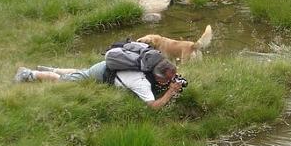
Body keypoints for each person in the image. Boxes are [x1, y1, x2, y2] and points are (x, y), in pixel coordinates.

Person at [13, 58, 184, 110]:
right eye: (167, 80)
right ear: (157, 75)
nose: (170, 81)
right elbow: (153, 106)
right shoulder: (141, 83)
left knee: (82, 73)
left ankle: (52, 68)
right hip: (102, 73)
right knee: (65, 82)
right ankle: (28, 74)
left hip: (106, 67)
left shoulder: (153, 63)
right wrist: (169, 93)